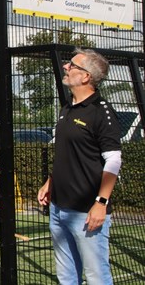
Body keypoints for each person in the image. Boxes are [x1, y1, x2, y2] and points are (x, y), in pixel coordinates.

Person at [37, 48, 122, 285]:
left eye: (72, 65)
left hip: (86, 212)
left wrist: (101, 203)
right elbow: (69, 154)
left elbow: (114, 160)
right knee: (66, 276)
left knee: (96, 277)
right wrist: (50, 182)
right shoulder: (67, 108)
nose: (66, 67)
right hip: (58, 208)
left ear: (86, 77)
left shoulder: (101, 112)